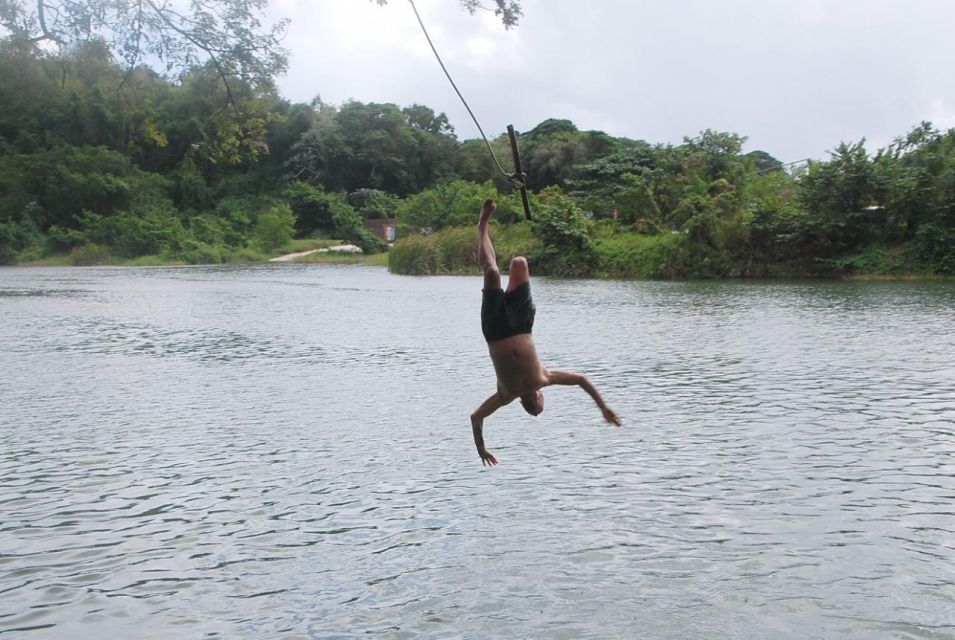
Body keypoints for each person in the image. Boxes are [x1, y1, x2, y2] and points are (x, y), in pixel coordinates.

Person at [471, 199, 621, 466]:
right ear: (540, 394)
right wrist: (602, 407)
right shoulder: (544, 378)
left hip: (494, 330)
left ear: (528, 401)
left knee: (492, 272)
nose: (536, 398)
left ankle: (482, 226)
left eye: (535, 404)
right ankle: (484, 229)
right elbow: (581, 380)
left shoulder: (505, 395)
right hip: (522, 325)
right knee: (519, 262)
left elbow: (477, 417)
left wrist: (481, 448)